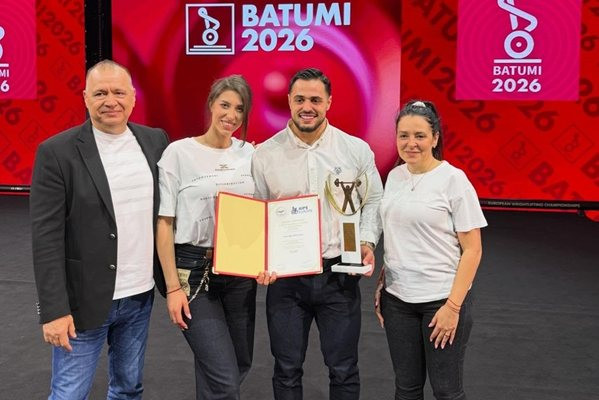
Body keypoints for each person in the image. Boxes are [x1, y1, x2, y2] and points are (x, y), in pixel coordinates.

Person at [30, 59, 169, 400]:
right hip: (82, 301)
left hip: (140, 295)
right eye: (100, 93)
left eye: (119, 92)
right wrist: (54, 311)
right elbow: (45, 239)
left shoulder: (155, 141)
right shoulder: (56, 152)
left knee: (128, 388)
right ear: (85, 98)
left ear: (133, 97)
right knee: (69, 394)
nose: (111, 101)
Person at [252, 68, 383, 400]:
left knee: (343, 369)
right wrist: (258, 259)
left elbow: (373, 199)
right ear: (289, 101)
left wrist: (366, 240)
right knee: (286, 369)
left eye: (315, 100)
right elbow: (257, 213)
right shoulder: (265, 154)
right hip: (286, 280)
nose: (307, 107)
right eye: (300, 99)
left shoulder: (355, 150)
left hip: (339, 275)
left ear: (328, 102)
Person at [156, 75, 274, 400]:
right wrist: (172, 288)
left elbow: (262, 212)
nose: (231, 115)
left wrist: (266, 259)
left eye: (240, 109)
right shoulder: (179, 153)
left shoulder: (249, 154)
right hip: (194, 271)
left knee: (237, 364)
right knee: (223, 378)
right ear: (211, 104)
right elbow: (164, 223)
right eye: (225, 105)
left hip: (240, 270)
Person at [375, 100, 487, 400]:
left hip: (440, 302)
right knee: (406, 390)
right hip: (397, 302)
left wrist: (453, 307)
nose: (410, 143)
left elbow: (473, 250)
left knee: (446, 391)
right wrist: (384, 281)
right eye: (403, 135)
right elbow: (401, 234)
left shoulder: (454, 180)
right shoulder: (395, 177)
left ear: (435, 138)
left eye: (420, 136)